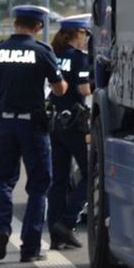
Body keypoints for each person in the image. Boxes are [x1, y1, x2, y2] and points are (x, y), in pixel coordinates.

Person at [0, 5, 68, 262]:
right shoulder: (42, 52)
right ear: (39, 26)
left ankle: (0, 229)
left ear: (15, 23)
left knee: (2, 180)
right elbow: (59, 90)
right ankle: (30, 248)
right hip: (33, 126)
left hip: (5, 124)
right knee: (39, 185)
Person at [47, 14, 92, 249]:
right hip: (75, 125)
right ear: (77, 33)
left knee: (59, 180)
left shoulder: (55, 56)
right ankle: (67, 222)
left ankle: (55, 233)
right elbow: (84, 89)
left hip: (56, 124)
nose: (86, 39)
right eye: (85, 33)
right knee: (90, 173)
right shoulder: (79, 58)